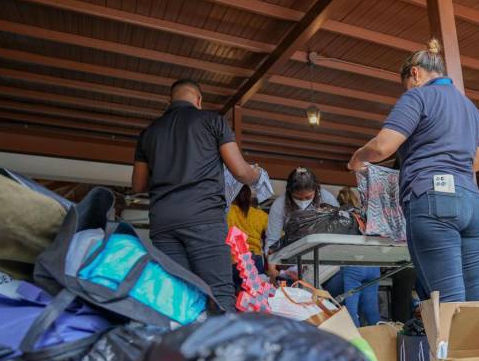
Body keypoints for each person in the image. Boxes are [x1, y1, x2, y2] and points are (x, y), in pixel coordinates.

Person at [347, 40, 479, 303]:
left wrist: (357, 158)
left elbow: (383, 147)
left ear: (414, 73)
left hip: (434, 200)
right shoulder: (472, 109)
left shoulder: (417, 96)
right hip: (473, 203)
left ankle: (449, 345)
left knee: (448, 300)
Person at [132, 79, 260, 312]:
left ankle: (182, 346)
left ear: (169, 100)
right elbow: (240, 172)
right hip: (204, 219)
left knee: (177, 295)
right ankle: (223, 348)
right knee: (219, 294)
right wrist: (256, 174)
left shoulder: (149, 133)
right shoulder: (212, 121)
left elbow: (138, 185)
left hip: (163, 224)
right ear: (199, 100)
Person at [264, 167, 339, 253]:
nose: (303, 202)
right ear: (289, 192)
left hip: (324, 249)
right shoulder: (279, 205)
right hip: (294, 251)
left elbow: (338, 226)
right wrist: (271, 261)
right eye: (297, 197)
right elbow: (273, 239)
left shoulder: (326, 198)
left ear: (316, 189)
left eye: (308, 197)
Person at [336, 187, 381, 327]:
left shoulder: (340, 217)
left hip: (353, 267)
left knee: (351, 312)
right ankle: (381, 343)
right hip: (373, 265)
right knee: (372, 312)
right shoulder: (365, 215)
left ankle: (355, 345)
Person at [227, 185, 277, 288]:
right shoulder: (260, 215)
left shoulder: (227, 212)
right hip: (254, 259)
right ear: (249, 197)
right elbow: (277, 236)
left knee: (232, 294)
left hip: (232, 259)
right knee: (254, 294)